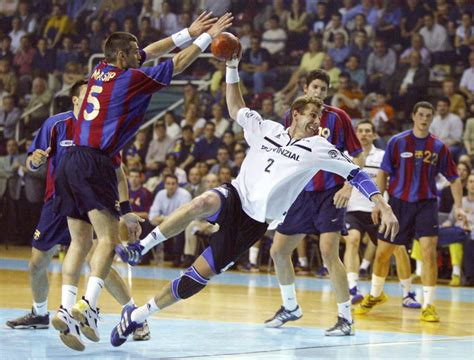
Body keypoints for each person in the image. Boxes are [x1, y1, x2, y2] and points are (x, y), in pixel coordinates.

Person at [112, 56, 399, 345]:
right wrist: (232, 67)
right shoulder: (268, 129)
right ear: (296, 113)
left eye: (320, 117)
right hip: (235, 196)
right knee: (200, 203)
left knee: (194, 279)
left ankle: (137, 316)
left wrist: (382, 204)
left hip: (253, 223)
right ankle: (140, 247)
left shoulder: (319, 147)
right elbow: (236, 106)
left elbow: (356, 173)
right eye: (312, 115)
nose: (317, 122)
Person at [52, 13, 233, 350]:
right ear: (123, 57)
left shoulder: (100, 72)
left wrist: (187, 31)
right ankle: (88, 306)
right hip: (95, 162)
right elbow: (176, 63)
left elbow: (151, 49)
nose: (140, 55)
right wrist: (206, 39)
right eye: (134, 52)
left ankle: (65, 307)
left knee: (79, 242)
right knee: (107, 239)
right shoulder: (129, 79)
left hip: (70, 159)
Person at [5, 81, 150, 350]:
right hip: (56, 200)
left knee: (98, 257)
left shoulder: (101, 129)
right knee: (37, 263)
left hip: (89, 199)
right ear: (74, 100)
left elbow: (119, 173)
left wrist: (126, 209)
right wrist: (35, 160)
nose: (91, 103)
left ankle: (134, 314)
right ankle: (41, 313)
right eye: (85, 98)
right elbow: (31, 161)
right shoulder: (55, 124)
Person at [265, 69, 365, 334]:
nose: (319, 93)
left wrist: (347, 186)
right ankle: (290, 307)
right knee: (278, 251)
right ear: (305, 88)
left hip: (330, 194)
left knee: (328, 251)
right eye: (315, 87)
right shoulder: (293, 115)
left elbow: (357, 155)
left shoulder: (339, 118)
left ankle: (346, 319)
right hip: (300, 194)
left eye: (323, 88)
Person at [354, 101, 465, 322]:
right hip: (398, 204)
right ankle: (376, 295)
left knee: (429, 253)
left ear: (432, 119)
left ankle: (429, 305)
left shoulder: (439, 147)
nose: (424, 119)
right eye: (421, 115)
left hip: (426, 204)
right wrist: (379, 204)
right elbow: (384, 174)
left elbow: (454, 179)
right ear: (414, 116)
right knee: (383, 253)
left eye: (428, 115)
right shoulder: (397, 142)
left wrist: (459, 207)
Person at [343, 121, 421, 308]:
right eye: (360, 131)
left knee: (399, 248)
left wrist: (387, 207)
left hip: (376, 210)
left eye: (368, 131)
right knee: (352, 240)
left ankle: (407, 293)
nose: (364, 134)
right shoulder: (346, 155)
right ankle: (353, 287)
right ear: (355, 134)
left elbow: (391, 181)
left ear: (374, 135)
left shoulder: (383, 156)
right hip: (352, 209)